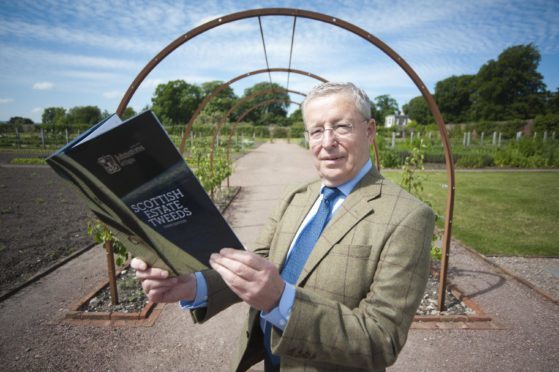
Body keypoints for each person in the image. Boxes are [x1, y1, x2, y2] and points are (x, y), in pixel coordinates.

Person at [133, 82, 435, 371]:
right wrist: (192, 285)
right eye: (317, 131)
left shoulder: (407, 216)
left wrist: (280, 300)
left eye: (342, 127)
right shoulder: (297, 196)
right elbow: (258, 265)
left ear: (369, 131)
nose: (327, 142)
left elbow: (381, 339)